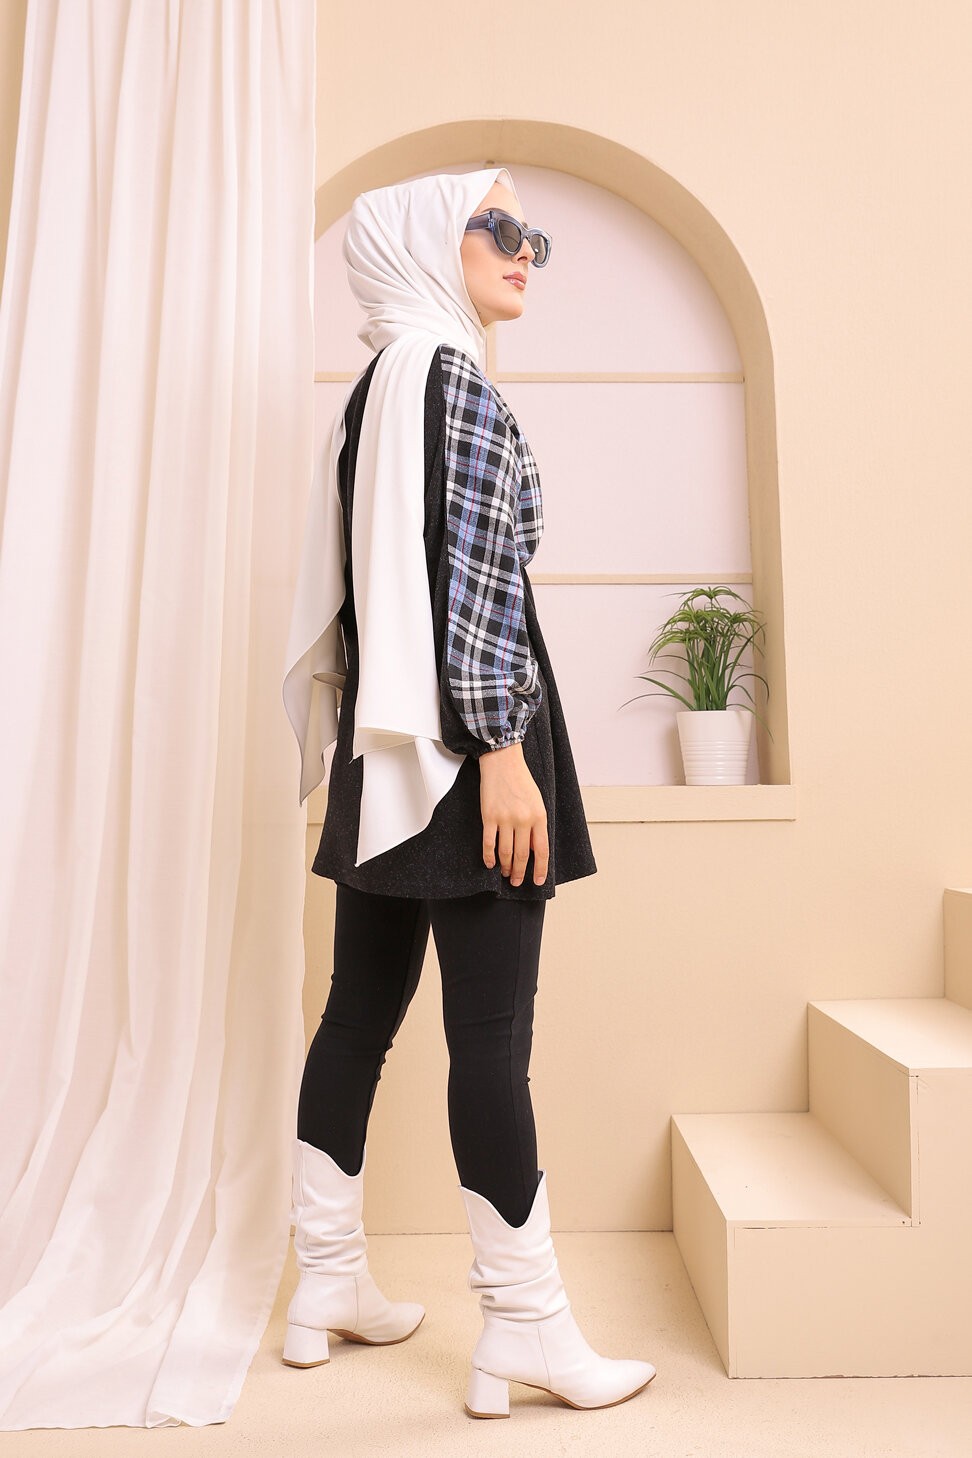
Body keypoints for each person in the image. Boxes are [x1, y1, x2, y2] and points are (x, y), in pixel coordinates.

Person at [281, 166, 656, 1418]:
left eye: (533, 232)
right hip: (465, 754)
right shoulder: (454, 382)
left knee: (355, 1018)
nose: (523, 248)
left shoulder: (380, 384)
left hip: (383, 747)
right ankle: (526, 1328)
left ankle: (324, 1281)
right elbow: (483, 587)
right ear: (424, 242)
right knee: (491, 1041)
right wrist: (501, 751)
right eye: (496, 226)